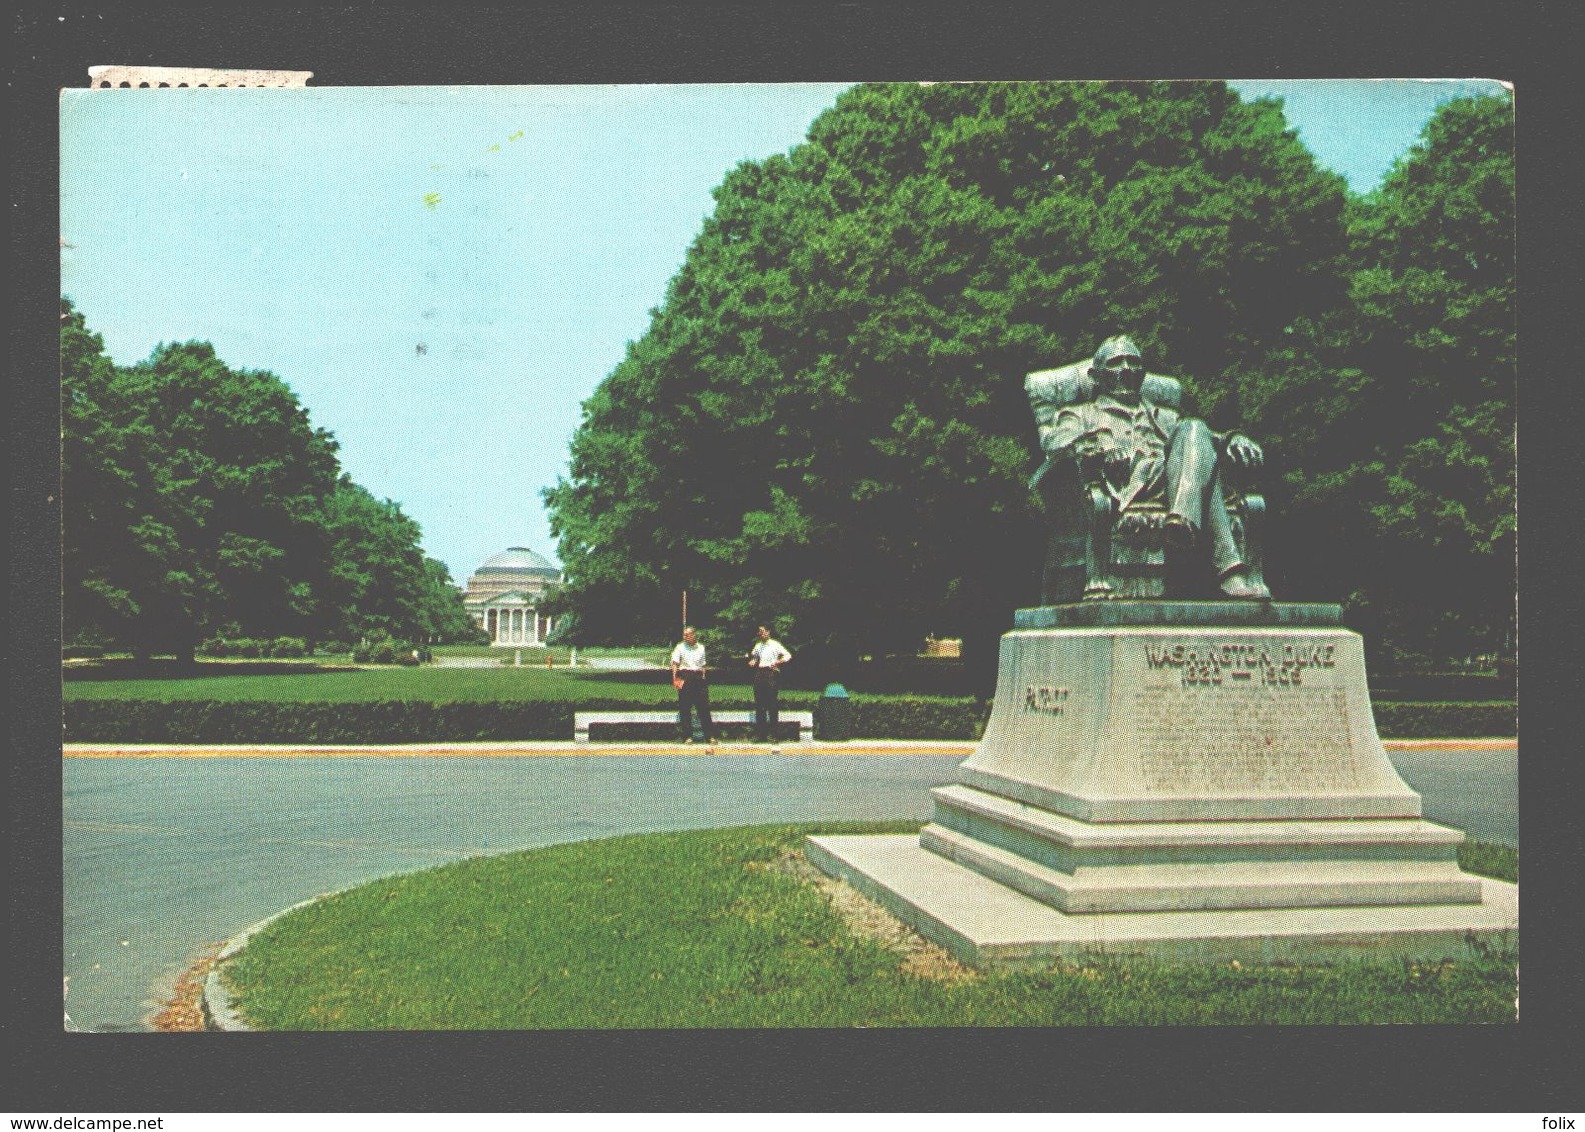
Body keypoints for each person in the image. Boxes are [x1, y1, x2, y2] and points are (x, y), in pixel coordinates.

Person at [1031, 334, 1269, 599]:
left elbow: (1206, 441)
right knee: (1205, 470)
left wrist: (1233, 439)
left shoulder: (1164, 416)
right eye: (1115, 363)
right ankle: (1227, 569)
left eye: (1133, 362)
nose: (1125, 370)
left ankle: (1181, 519)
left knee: (1194, 428)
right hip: (1125, 486)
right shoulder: (1081, 413)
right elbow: (1055, 442)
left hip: (1170, 486)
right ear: (1095, 375)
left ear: (1143, 373)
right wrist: (1098, 443)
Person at [746, 625, 792, 742]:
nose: (760, 634)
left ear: (768, 632)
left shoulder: (775, 644)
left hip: (771, 673)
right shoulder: (758, 645)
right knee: (759, 705)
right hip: (760, 673)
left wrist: (777, 662)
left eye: (762, 632)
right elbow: (755, 657)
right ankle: (761, 735)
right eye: (759, 632)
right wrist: (753, 661)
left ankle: (774, 735)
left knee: (772, 704)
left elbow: (788, 655)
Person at [669, 626, 714, 743]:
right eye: (684, 635)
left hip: (698, 677)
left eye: (687, 634)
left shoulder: (701, 648)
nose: (685, 636)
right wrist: (675, 680)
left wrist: (703, 678)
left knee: (704, 707)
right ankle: (687, 736)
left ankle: (709, 736)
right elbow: (675, 664)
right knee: (685, 707)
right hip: (685, 676)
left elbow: (703, 665)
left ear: (694, 635)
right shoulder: (680, 647)